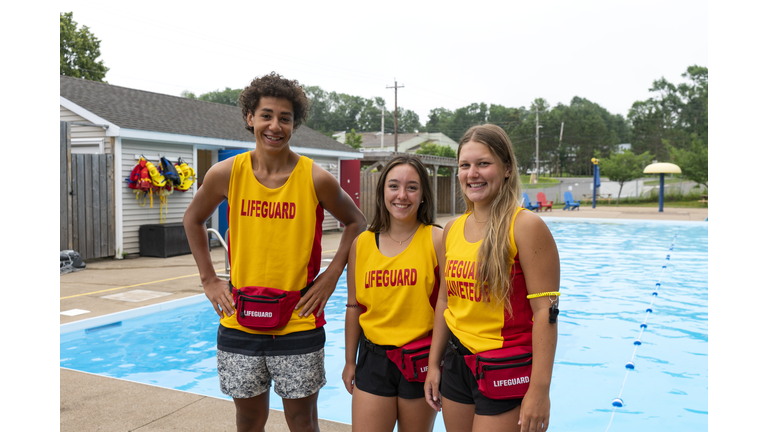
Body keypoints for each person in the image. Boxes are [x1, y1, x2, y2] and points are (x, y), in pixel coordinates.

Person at [183, 72, 366, 432]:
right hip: (239, 319)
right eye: (266, 115)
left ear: (294, 124)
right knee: (249, 421)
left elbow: (356, 223)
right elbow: (192, 220)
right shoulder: (226, 173)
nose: (275, 126)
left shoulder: (315, 178)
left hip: (298, 319)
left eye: (285, 118)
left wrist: (330, 278)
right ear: (250, 117)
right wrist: (209, 279)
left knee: (302, 421)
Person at [423, 124, 560, 432]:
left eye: (483, 163)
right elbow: (445, 300)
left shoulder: (525, 226)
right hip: (457, 363)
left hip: (504, 366)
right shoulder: (453, 229)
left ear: (507, 168)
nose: (473, 173)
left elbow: (546, 312)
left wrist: (539, 390)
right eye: (465, 165)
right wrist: (434, 364)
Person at [343, 155, 443, 432]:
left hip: (420, 359)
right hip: (373, 359)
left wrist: (436, 365)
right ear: (382, 192)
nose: (402, 195)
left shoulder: (436, 239)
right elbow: (353, 307)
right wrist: (350, 361)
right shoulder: (362, 243)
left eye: (412, 187)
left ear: (423, 195)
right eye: (394, 186)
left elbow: (447, 306)